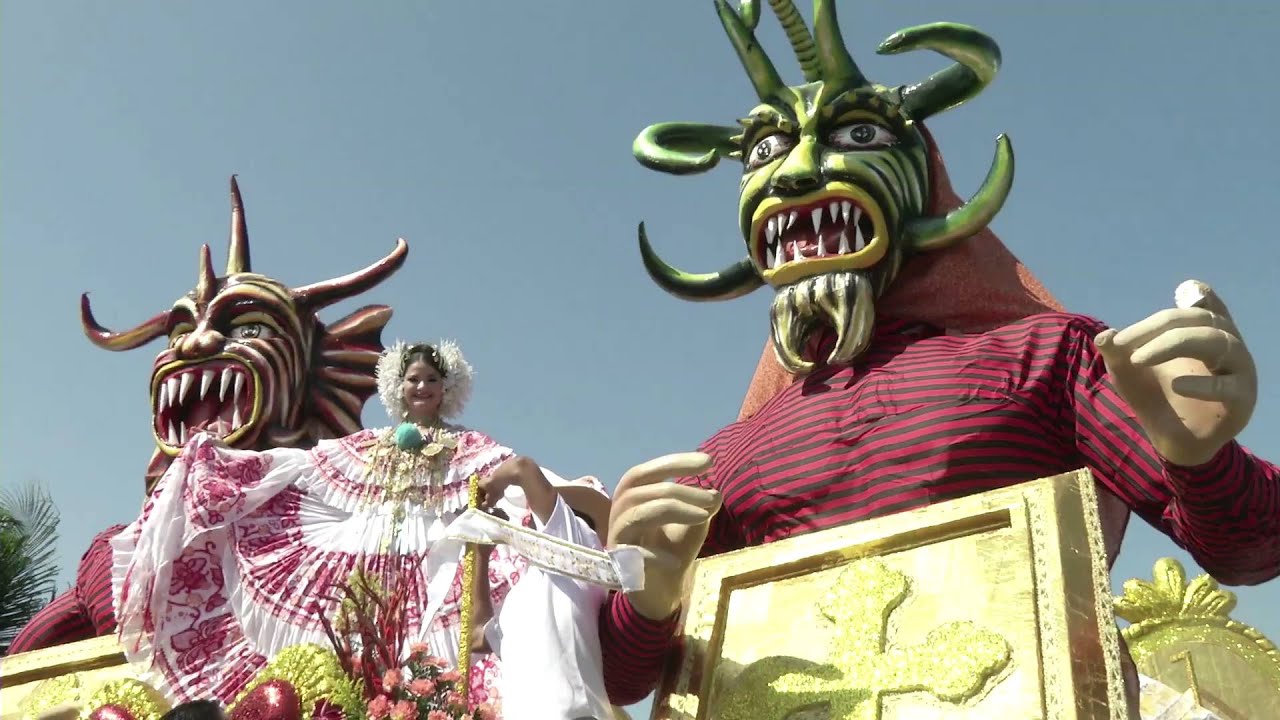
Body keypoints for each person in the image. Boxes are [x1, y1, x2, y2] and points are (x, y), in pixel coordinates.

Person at [596, 1, 1280, 715]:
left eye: (856, 135)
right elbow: (624, 680)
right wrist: (643, 600)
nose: (796, 172)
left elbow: (1252, 547)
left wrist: (1200, 458)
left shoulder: (1050, 355)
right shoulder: (724, 460)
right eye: (763, 152)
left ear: (923, 177)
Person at [111, 339, 607, 709]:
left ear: (446, 389)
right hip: (364, 555)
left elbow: (510, 476)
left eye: (431, 380)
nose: (421, 387)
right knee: (350, 654)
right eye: (412, 379)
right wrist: (235, 468)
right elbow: (307, 463)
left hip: (439, 562)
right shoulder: (373, 441)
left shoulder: (468, 444)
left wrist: (580, 492)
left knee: (437, 660)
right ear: (399, 386)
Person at [467, 475, 616, 720]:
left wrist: (495, 483)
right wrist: (482, 555)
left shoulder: (578, 552)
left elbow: (523, 468)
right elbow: (476, 636)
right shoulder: (523, 593)